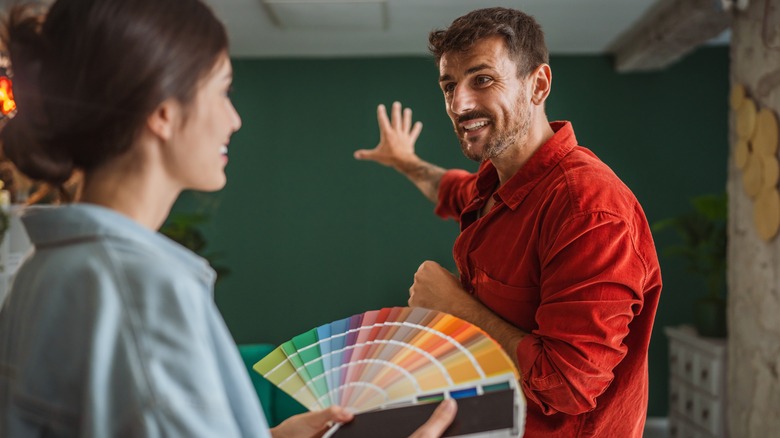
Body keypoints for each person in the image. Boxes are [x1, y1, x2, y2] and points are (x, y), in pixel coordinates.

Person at [0, 0, 456, 436]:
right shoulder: (142, 289)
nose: (233, 119)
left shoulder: (42, 272)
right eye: (222, 91)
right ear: (162, 112)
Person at [354, 7, 662, 438]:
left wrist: (455, 309)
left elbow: (569, 386)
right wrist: (408, 164)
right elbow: (453, 189)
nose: (459, 103)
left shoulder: (588, 208)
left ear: (538, 85)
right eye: (449, 85)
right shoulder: (498, 183)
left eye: (482, 79)